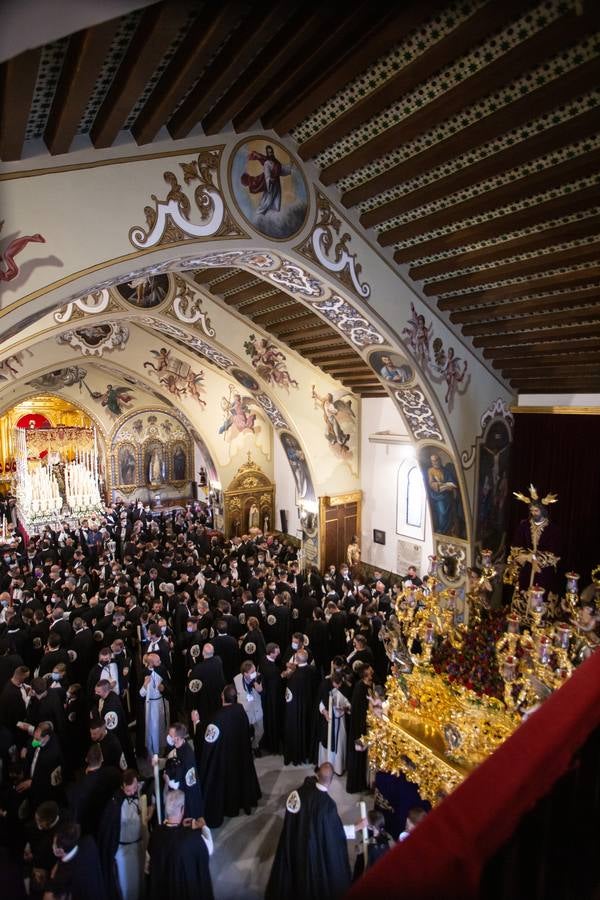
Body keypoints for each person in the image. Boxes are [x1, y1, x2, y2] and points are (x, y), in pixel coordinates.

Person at [266, 762, 351, 900]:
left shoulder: (299, 793)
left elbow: (291, 816)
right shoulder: (328, 806)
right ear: (331, 780)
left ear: (317, 775)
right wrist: (356, 828)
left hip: (295, 844)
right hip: (313, 853)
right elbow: (335, 835)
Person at [196, 684, 261, 828]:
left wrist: (197, 723)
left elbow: (208, 739)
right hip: (240, 756)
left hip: (225, 760)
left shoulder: (218, 717)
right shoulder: (240, 710)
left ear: (222, 697)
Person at [147, 789, 213, 900]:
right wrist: (204, 827)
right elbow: (209, 849)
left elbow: (148, 866)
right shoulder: (192, 838)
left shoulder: (155, 834)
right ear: (182, 809)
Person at [98, 769, 148, 900]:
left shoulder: (140, 791)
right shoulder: (115, 804)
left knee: (142, 880)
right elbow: (109, 829)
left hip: (140, 846)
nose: (132, 792)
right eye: (128, 790)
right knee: (128, 886)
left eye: (134, 788)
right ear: (122, 787)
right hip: (124, 850)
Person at [283, 649, 319, 766]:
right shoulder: (313, 670)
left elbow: (289, 697)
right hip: (309, 708)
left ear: (297, 660)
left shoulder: (294, 675)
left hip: (296, 711)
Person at [164, 722, 203, 819]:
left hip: (187, 797)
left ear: (177, 738)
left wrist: (171, 783)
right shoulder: (177, 745)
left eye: (171, 735)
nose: (168, 737)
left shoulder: (188, 756)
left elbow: (190, 782)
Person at [241, 144, 293, 215]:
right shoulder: (267, 163)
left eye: (271, 152)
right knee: (267, 201)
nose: (270, 153)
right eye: (269, 152)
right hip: (270, 184)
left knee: (275, 201)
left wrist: (291, 167)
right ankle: (261, 213)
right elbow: (267, 171)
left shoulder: (275, 162)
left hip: (275, 183)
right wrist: (269, 180)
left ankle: (271, 214)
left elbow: (281, 169)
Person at [346, 664, 375, 794]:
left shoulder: (369, 685)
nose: (372, 671)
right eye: (369, 670)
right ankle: (355, 784)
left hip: (365, 725)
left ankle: (362, 782)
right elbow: (358, 711)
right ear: (365, 674)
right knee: (357, 755)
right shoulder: (359, 688)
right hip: (359, 728)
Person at [317, 672, 351, 775]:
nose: (338, 686)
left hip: (340, 723)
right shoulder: (325, 687)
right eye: (337, 684)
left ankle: (337, 768)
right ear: (332, 682)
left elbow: (349, 705)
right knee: (327, 743)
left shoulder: (345, 688)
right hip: (328, 722)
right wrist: (325, 712)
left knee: (338, 745)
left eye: (340, 684)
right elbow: (321, 702)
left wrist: (344, 708)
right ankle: (326, 767)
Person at [139, 652, 170, 760]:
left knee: (162, 727)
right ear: (151, 663)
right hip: (150, 706)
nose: (160, 662)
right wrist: (144, 685)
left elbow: (168, 686)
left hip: (161, 703)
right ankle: (153, 752)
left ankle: (163, 749)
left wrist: (163, 688)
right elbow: (140, 694)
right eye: (158, 661)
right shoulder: (143, 673)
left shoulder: (162, 670)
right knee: (153, 729)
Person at [351, 808, 394, 878]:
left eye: (366, 821)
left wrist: (359, 826)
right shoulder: (387, 835)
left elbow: (358, 849)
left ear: (371, 827)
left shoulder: (370, 839)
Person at [233, 660, 264, 752]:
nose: (255, 673)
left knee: (260, 731)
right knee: (243, 733)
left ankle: (254, 745)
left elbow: (265, 693)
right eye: (252, 672)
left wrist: (260, 690)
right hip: (245, 713)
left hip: (257, 711)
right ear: (245, 674)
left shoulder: (259, 677)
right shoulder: (236, 680)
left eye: (255, 670)